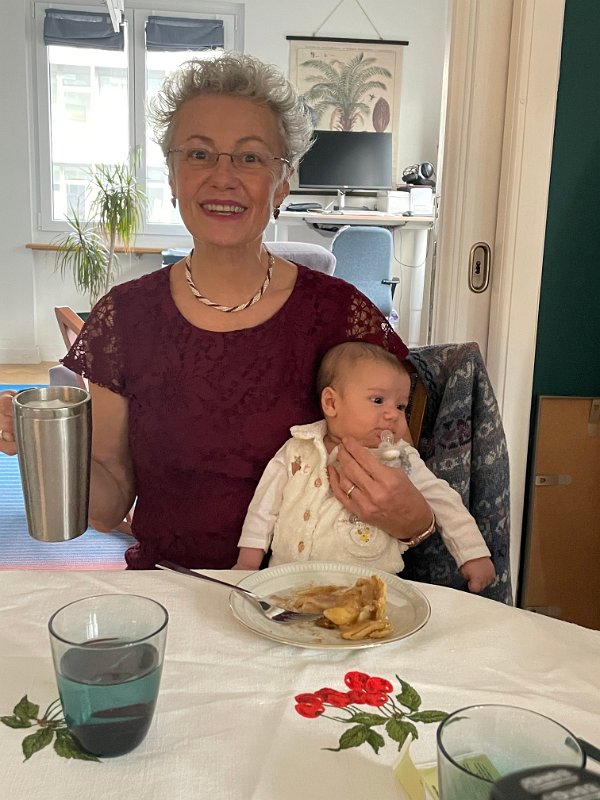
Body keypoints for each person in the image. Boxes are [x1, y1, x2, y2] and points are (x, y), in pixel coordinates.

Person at [0, 53, 434, 570]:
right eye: (199, 154)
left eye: (250, 158)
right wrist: (42, 446)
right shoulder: (124, 319)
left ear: (283, 184)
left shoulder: (343, 317)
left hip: (312, 600)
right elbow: (109, 506)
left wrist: (416, 520)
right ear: (172, 177)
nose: (223, 177)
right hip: (176, 592)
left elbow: (402, 478)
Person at [235, 342, 496, 593]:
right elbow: (265, 506)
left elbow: (443, 500)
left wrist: (473, 554)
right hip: (286, 584)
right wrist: (248, 562)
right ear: (331, 403)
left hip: (367, 591)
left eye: (401, 406)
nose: (393, 414)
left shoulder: (400, 457)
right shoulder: (297, 448)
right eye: (378, 400)